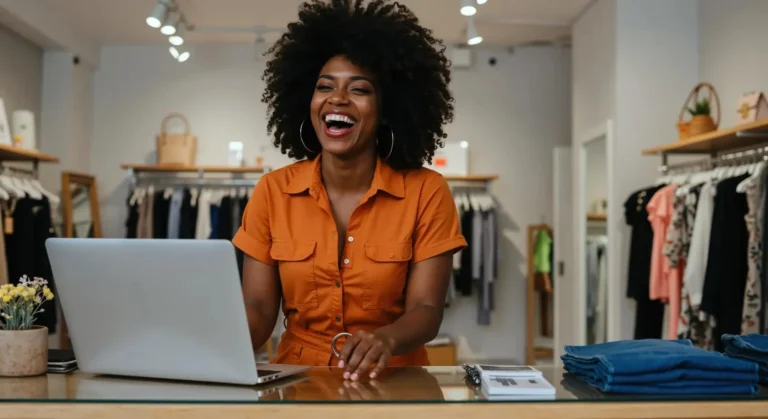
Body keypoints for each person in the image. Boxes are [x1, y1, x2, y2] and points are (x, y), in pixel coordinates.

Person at [232, 0, 467, 382]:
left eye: (359, 89)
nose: (337, 98)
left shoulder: (426, 192)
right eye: (324, 86)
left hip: (394, 382)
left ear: (387, 109)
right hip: (299, 382)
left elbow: (426, 309)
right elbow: (258, 308)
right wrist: (211, 342)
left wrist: (385, 339)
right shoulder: (272, 191)